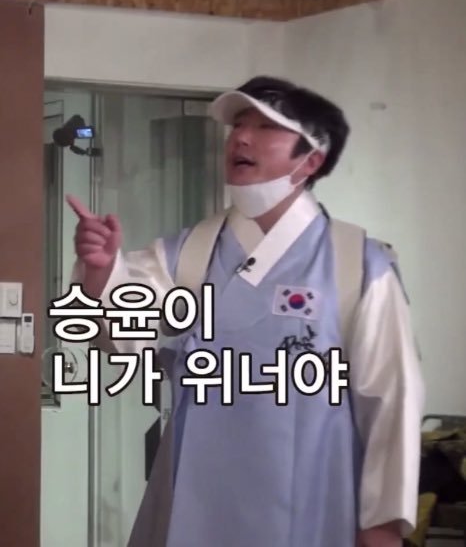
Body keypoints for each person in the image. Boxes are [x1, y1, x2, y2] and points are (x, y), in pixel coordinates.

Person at [68, 75, 425, 547]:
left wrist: (382, 524)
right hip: (194, 506)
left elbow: (391, 397)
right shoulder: (188, 254)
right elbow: (121, 337)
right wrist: (99, 274)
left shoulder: (356, 263)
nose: (241, 137)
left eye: (266, 127)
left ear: (311, 159)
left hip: (316, 506)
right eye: (238, 125)